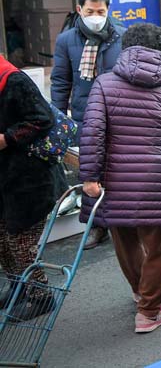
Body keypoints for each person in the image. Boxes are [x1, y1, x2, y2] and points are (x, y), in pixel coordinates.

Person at [79, 24, 161, 334]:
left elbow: (92, 130)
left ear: (126, 48)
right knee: (159, 246)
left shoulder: (104, 84)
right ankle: (149, 311)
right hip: (155, 182)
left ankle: (139, 291)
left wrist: (90, 177)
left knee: (126, 239)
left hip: (114, 182)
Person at [51, 0, 125, 250]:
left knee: (120, 169)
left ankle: (123, 221)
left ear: (108, 11)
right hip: (85, 114)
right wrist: (58, 119)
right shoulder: (66, 40)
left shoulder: (121, 36)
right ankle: (97, 226)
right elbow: (60, 81)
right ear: (80, 10)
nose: (96, 16)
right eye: (90, 11)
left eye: (101, 11)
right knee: (91, 171)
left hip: (118, 113)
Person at [0, 55, 65, 320]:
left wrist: (8, 137)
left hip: (29, 179)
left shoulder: (14, 80)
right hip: (4, 179)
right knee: (2, 238)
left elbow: (42, 119)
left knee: (20, 240)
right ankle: (18, 286)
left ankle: (41, 296)